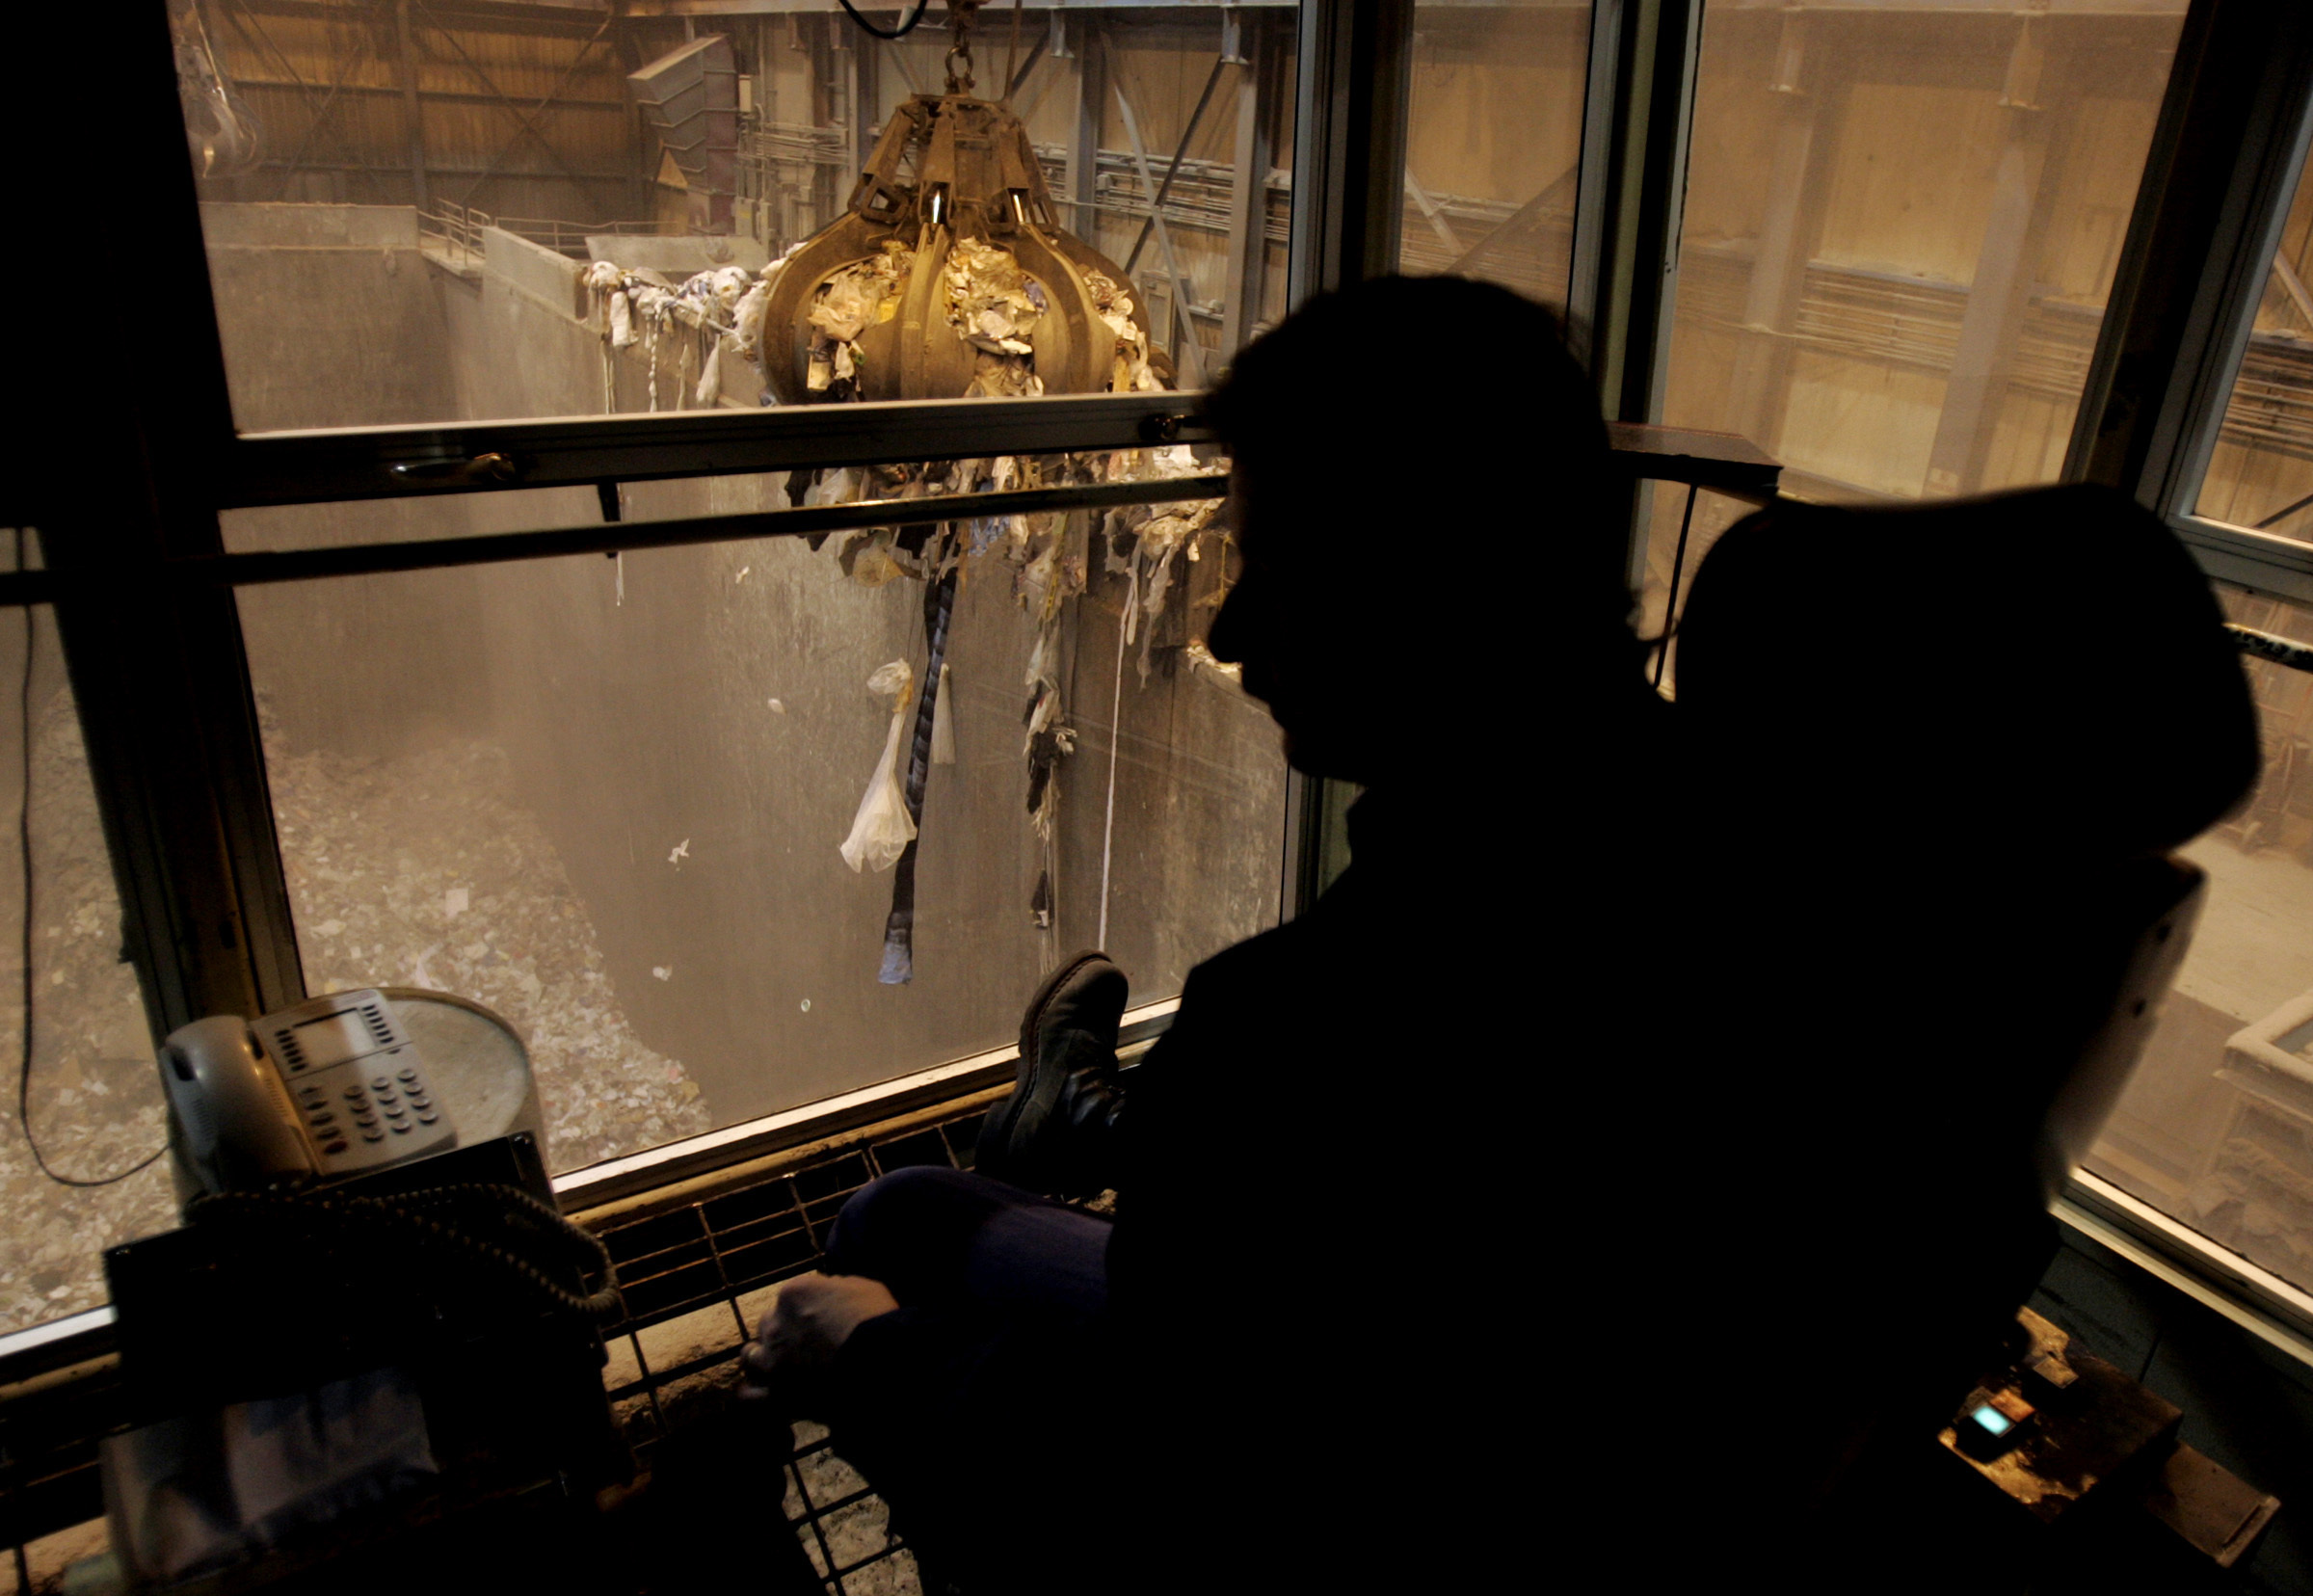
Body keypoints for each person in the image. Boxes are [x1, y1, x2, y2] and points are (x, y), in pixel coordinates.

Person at [744, 275, 1678, 1593]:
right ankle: (1093, 1127)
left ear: (1427, 587)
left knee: (883, 1250)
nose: (1230, 631)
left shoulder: (1293, 1031)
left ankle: (1088, 1136)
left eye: (1273, 571)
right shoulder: (1734, 835)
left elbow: (1144, 1498)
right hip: (1573, 1449)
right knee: (913, 1211)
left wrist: (868, 1359)